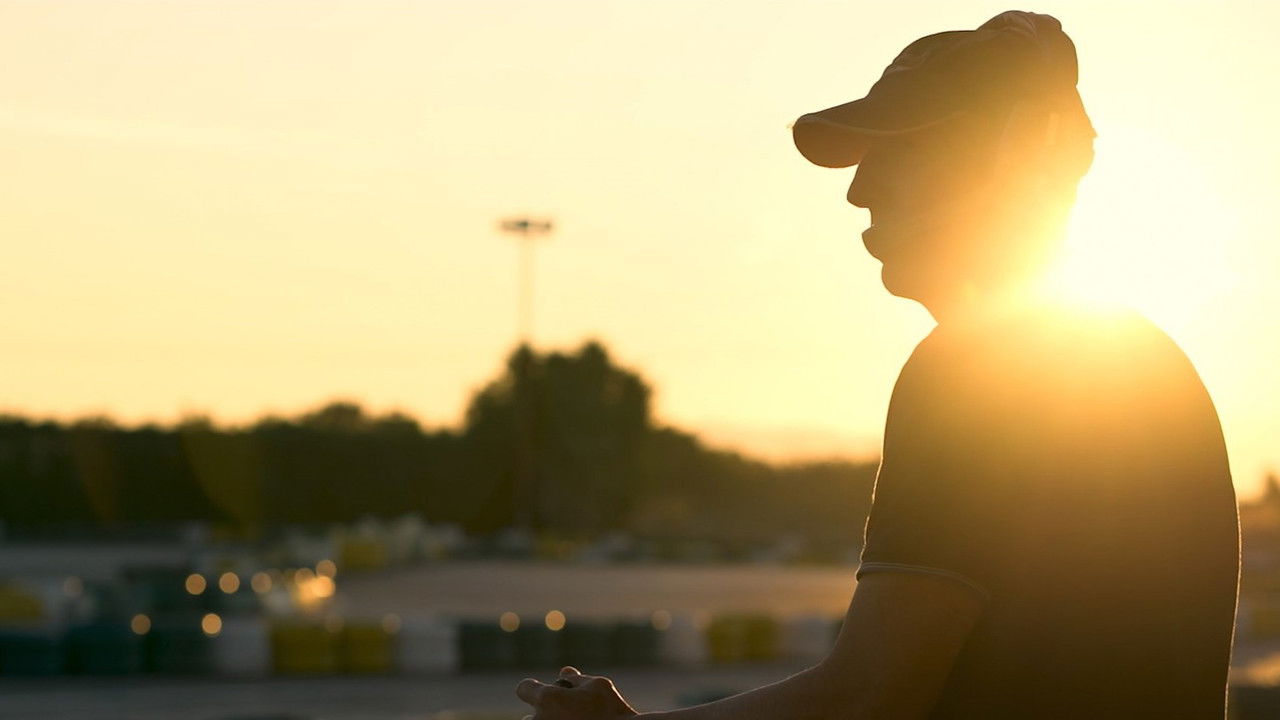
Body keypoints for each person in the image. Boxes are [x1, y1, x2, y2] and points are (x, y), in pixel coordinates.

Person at [515, 10, 1240, 719]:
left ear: (1015, 157)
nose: (861, 189)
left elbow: (870, 697)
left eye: (903, 150)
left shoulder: (984, 365)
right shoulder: (1134, 363)